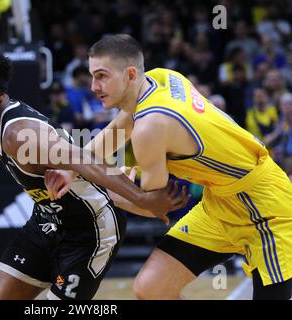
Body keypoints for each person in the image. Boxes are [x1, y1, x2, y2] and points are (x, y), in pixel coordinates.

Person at [0, 51, 188, 300]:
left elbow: (82, 158)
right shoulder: (3, 129)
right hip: (47, 222)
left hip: (89, 231)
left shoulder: (18, 133)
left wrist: (141, 197)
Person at [45, 34, 292, 300]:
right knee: (151, 289)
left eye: (102, 76)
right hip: (220, 203)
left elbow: (155, 206)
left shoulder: (150, 126)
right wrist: (73, 169)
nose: (94, 86)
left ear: (130, 74)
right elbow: (116, 131)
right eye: (93, 76)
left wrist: (100, 192)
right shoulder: (161, 78)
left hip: (264, 207)